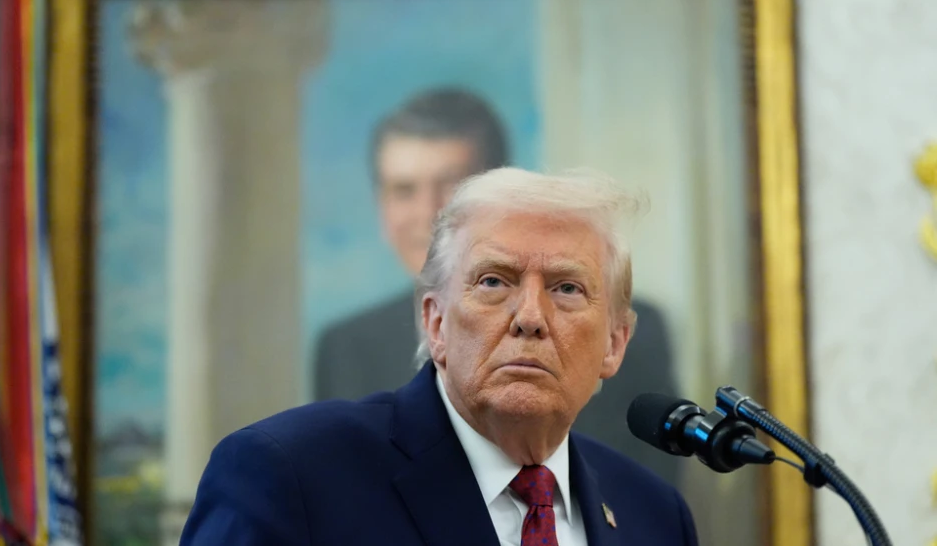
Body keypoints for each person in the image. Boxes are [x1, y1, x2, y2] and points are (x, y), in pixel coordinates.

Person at [181, 167, 698, 545]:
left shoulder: (654, 515)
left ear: (614, 343)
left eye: (566, 288)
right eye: (493, 281)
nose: (530, 317)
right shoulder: (290, 474)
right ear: (435, 323)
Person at [314, 87, 681, 485]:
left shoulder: (622, 333)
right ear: (434, 322)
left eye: (452, 187)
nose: (428, 213)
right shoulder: (345, 347)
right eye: (404, 190)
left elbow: (640, 494)